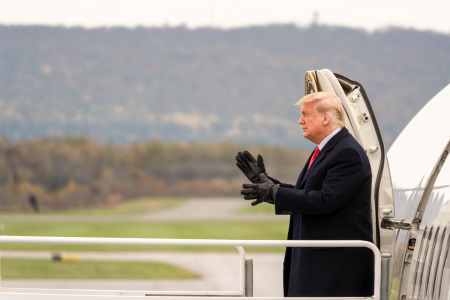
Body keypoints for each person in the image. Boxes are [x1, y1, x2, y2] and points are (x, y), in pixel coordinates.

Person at [236, 92, 374, 297]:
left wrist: (275, 194)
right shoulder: (330, 149)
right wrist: (266, 183)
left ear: (325, 118)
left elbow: (325, 200)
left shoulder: (347, 153)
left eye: (305, 114)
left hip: (333, 271)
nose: (300, 120)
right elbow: (306, 193)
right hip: (319, 266)